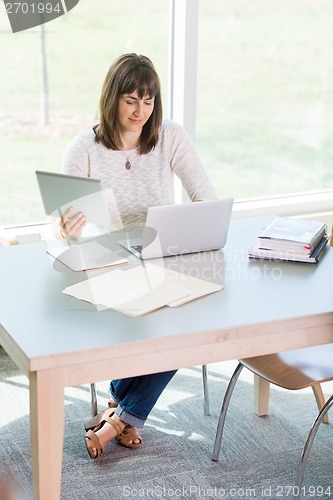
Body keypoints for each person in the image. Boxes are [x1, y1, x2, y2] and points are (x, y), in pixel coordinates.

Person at [59, 53, 217, 459]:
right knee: (161, 330)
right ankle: (126, 416)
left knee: (183, 332)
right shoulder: (85, 147)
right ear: (112, 98)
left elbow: (206, 198)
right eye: (131, 100)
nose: (140, 111)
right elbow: (62, 216)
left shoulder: (169, 136)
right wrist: (66, 224)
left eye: (148, 102)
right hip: (111, 268)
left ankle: (120, 416)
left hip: (164, 263)